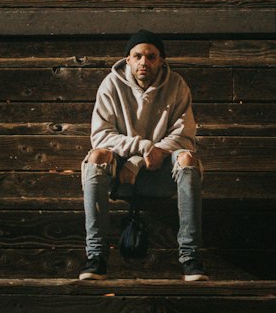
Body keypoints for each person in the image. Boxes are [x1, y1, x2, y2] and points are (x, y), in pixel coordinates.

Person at [79, 30, 206, 281]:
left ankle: (191, 258)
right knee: (96, 158)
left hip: (159, 173)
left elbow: (184, 137)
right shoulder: (111, 85)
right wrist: (143, 148)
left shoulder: (177, 86)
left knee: (188, 160)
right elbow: (101, 136)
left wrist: (141, 159)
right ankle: (96, 257)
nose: (144, 62)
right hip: (120, 177)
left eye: (151, 56)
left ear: (161, 60)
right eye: (137, 56)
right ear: (128, 60)